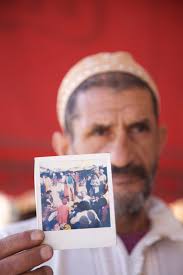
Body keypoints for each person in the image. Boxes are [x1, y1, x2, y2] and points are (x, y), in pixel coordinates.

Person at [0, 51, 183, 275]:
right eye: (100, 131)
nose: (121, 157)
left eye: (139, 128)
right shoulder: (13, 254)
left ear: (160, 140)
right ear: (64, 148)